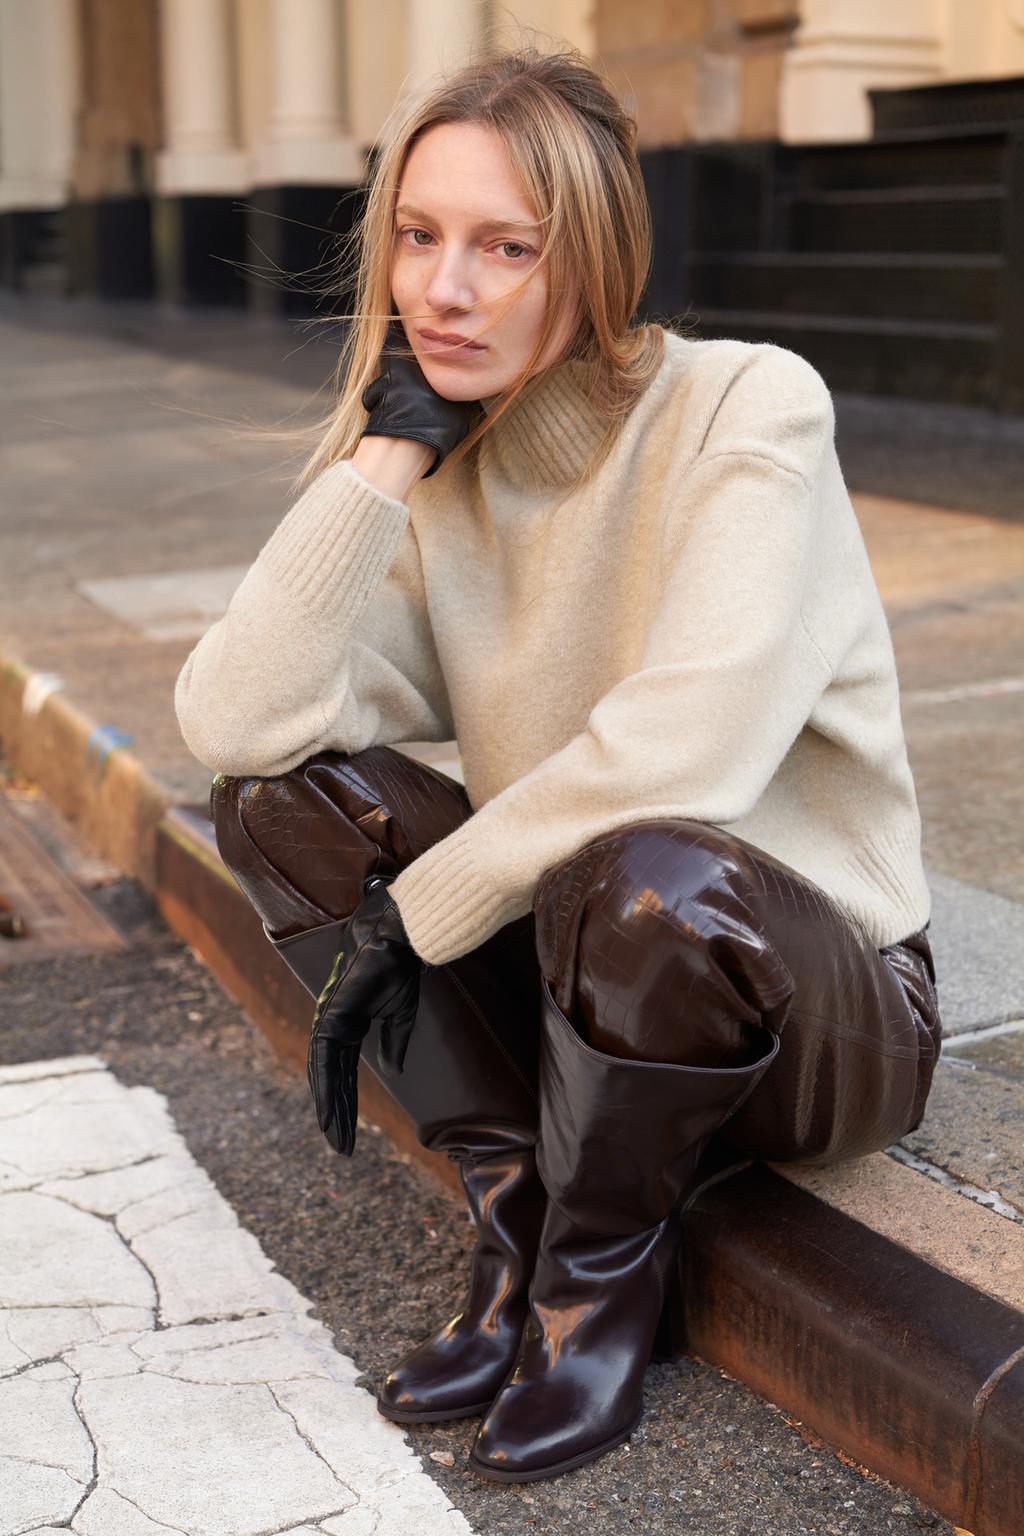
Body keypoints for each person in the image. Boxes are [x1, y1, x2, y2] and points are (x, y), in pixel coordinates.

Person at [174, 42, 943, 1486]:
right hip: (592, 962)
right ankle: (518, 1216)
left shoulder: (752, 405)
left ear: (590, 262)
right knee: (287, 806)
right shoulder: (442, 472)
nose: (444, 290)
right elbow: (237, 719)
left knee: (649, 871)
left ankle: (598, 1290)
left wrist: (419, 916)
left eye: (505, 247)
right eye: (418, 237)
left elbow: (685, 748)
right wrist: (384, 458)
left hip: (812, 999)